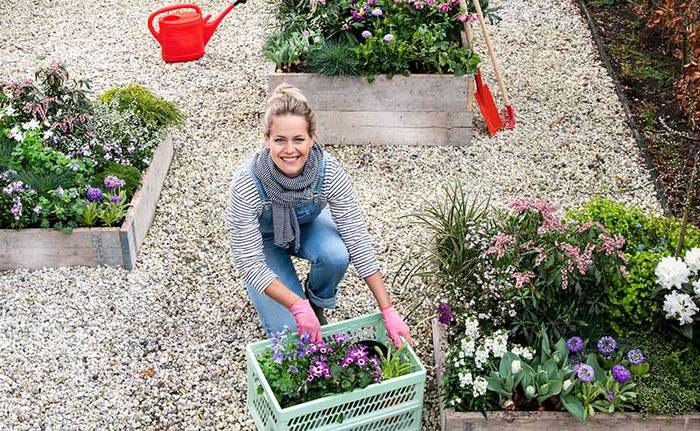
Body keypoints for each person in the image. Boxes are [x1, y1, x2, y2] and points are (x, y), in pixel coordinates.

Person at [226, 83, 411, 347]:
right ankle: (301, 305)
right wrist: (295, 305)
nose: (290, 150)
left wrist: (388, 309)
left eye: (298, 139)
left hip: (305, 226)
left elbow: (357, 239)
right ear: (266, 140)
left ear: (312, 138)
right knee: (293, 338)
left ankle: (316, 302)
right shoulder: (247, 183)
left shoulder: (329, 172)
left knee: (336, 254)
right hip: (264, 240)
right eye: (280, 140)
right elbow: (250, 263)